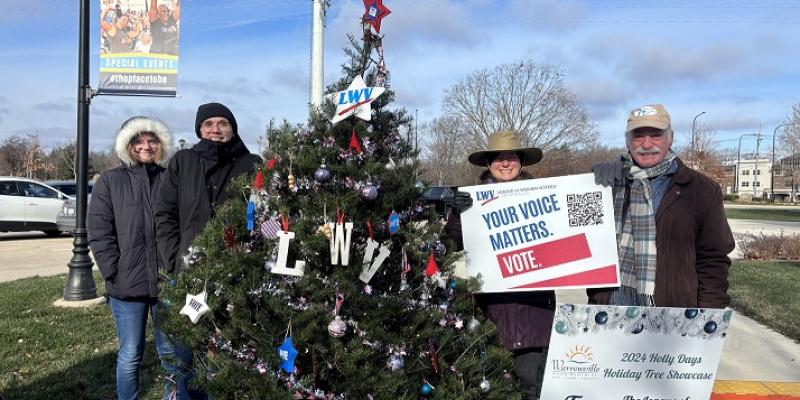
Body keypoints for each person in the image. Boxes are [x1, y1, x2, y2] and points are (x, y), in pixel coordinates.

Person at [591, 104, 734, 308]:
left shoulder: (701, 190)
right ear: (627, 141)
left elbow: (713, 259)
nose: (647, 144)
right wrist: (588, 183)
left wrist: (708, 316)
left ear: (671, 138)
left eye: (656, 135)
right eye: (638, 135)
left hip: (671, 317)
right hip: (610, 310)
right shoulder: (608, 184)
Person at [444, 130, 552, 400]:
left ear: (521, 162)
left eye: (511, 157)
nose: (505, 163)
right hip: (489, 317)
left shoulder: (545, 198)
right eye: (498, 158)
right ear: (489, 164)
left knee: (532, 389)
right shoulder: (473, 201)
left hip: (535, 321)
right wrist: (459, 214)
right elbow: (451, 244)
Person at [87, 116, 188, 400]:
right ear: (127, 145)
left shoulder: (170, 179)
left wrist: (177, 269)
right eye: (138, 141)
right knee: (130, 353)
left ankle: (175, 397)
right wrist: (113, 271)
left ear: (161, 145)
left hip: (166, 283)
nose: (145, 146)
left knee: (170, 352)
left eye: (152, 140)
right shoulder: (109, 181)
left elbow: (181, 225)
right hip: (126, 286)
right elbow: (99, 231)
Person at [155, 102, 262, 274]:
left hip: (236, 265)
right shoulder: (183, 161)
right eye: (208, 124)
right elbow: (165, 212)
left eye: (223, 124)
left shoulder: (251, 163)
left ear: (233, 129)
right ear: (200, 130)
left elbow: (261, 213)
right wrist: (174, 259)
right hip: (189, 264)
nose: (216, 129)